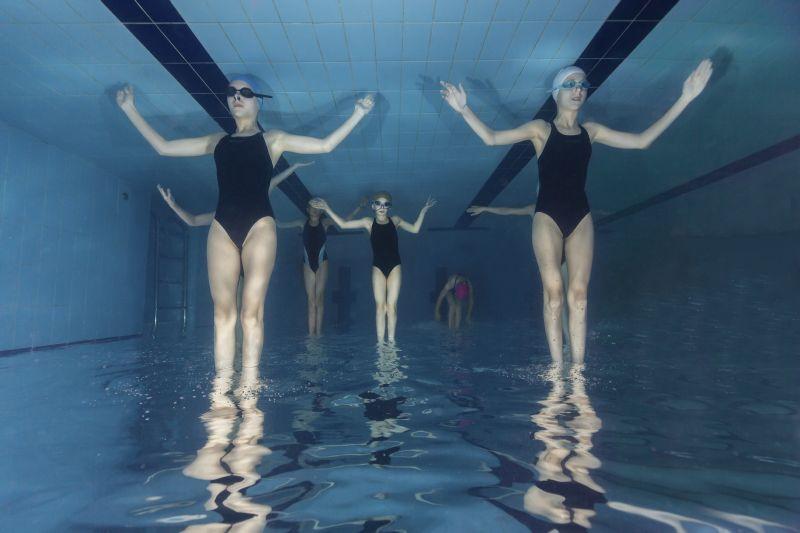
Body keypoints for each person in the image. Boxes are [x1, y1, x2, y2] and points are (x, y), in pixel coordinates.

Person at [441, 60, 712, 362]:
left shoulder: (591, 132)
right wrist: (464, 109)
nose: (578, 89)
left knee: (579, 297)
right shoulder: (540, 130)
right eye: (570, 84)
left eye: (582, 84)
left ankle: (578, 380)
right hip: (547, 216)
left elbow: (642, 141)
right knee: (555, 295)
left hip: (580, 216)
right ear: (555, 93)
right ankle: (558, 378)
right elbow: (490, 138)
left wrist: (686, 97)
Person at [116, 78, 374, 371]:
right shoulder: (217, 142)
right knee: (222, 315)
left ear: (257, 102)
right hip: (222, 228)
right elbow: (163, 147)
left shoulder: (272, 139)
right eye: (231, 93)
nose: (237, 97)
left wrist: (358, 114)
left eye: (246, 93)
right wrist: (129, 109)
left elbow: (325, 145)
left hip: (259, 226)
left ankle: (249, 391)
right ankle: (221, 389)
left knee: (251, 315)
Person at [310, 193, 436, 342]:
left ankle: (391, 342)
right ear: (373, 206)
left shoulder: (395, 220)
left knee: (391, 306)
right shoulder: (368, 222)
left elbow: (415, 229)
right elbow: (343, 224)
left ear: (389, 207)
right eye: (378, 203)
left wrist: (423, 211)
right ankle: (381, 345)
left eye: (386, 204)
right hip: (378, 267)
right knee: (380, 307)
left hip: (395, 265)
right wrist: (327, 208)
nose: (382, 207)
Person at [276, 197, 368, 335]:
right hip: (307, 263)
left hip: (322, 262)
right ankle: (311, 335)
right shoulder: (302, 223)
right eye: (312, 207)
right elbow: (280, 224)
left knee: (319, 298)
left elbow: (345, 220)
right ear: (307, 209)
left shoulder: (325, 223)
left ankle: (318, 334)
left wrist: (359, 208)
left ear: (321, 211)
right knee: (310, 301)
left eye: (318, 207)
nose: (314, 210)